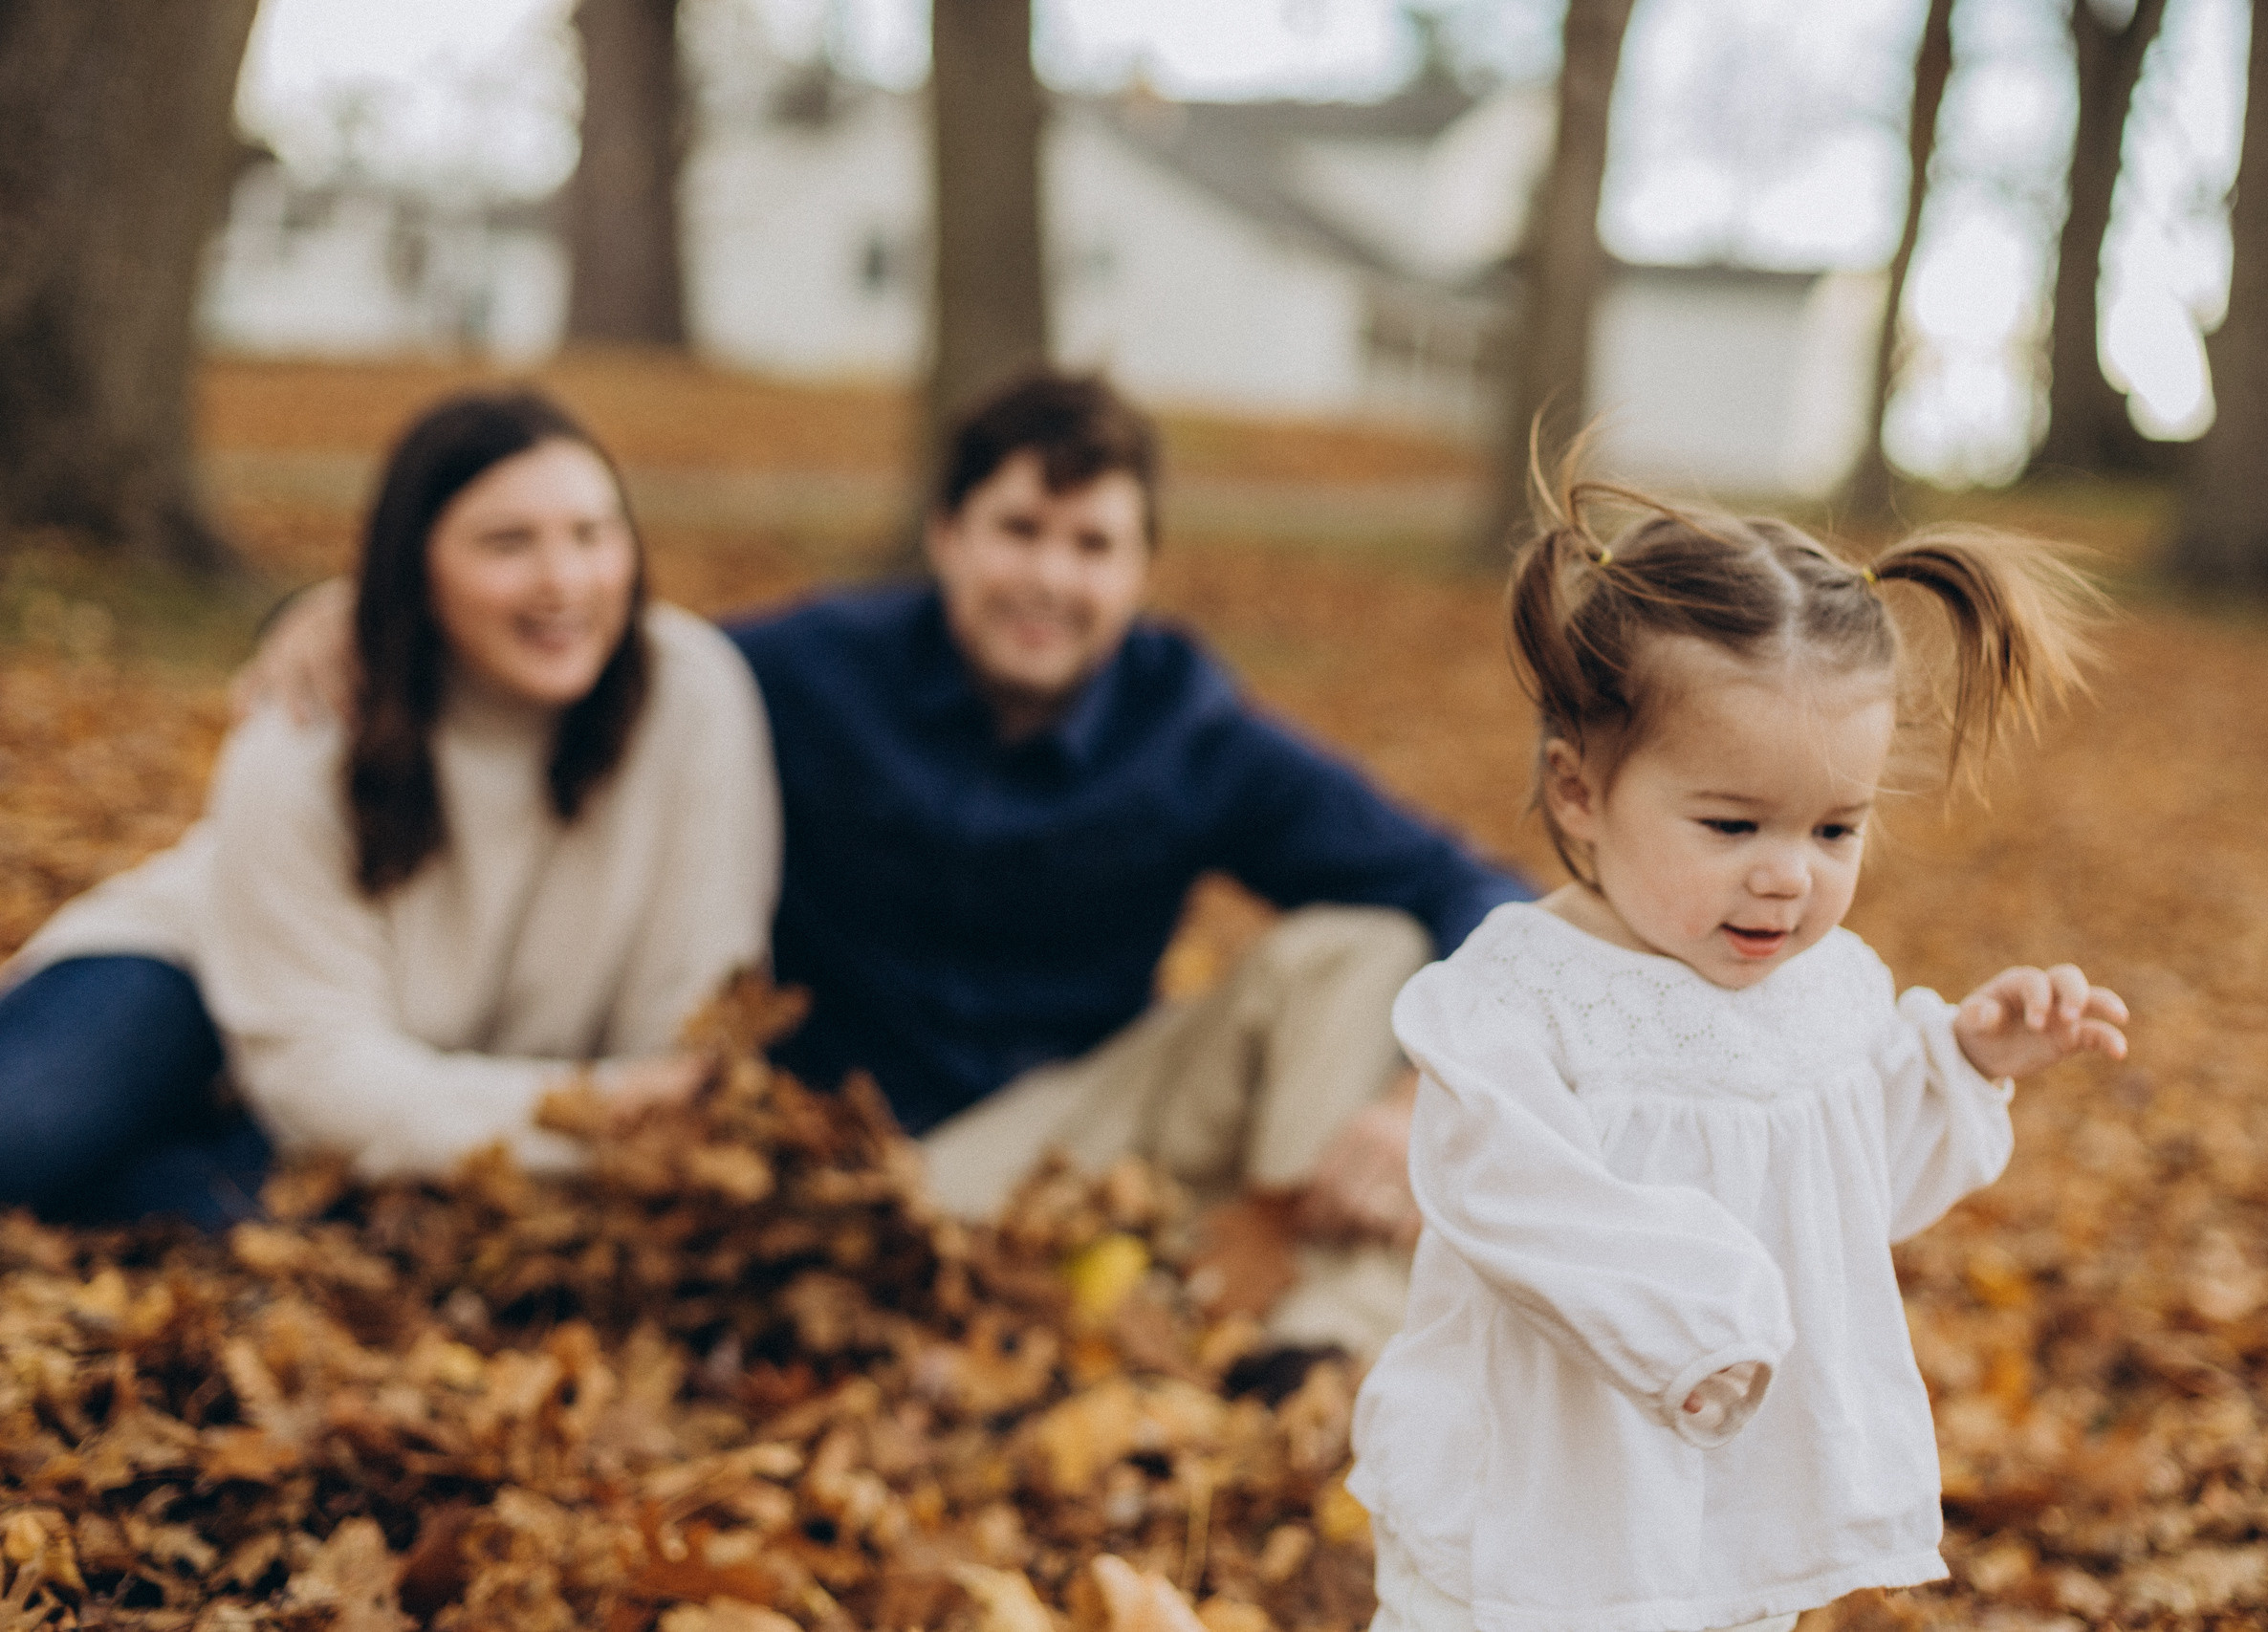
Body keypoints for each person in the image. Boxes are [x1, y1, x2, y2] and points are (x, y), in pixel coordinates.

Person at [241, 372, 1529, 1352]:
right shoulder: (801, 672)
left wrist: (1420, 1092)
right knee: (951, 1261)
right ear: (947, 532)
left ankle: (1313, 1343)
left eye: (1093, 547)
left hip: (1093, 1106)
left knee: (1360, 946)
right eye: (1019, 529)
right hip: (877, 1157)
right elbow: (590, 650)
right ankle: (1195, 1294)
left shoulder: (1190, 723)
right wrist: (356, 610)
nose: (1050, 577)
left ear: (1140, 569)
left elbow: (1476, 892)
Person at [1345, 482, 2130, 1632]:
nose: (1788, 875)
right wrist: (1690, 1320)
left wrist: (1963, 1058)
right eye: (1731, 826)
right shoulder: (1517, 997)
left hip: (1737, 1482)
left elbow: (1847, 1194)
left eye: (1833, 829)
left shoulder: (1824, 990)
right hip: (1542, 1483)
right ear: (1580, 790)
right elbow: (1511, 1198)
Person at [0, 389, 780, 1228]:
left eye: (594, 534)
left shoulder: (694, 694)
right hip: (204, 976)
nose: (566, 581)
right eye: (507, 543)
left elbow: (693, 1016)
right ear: (414, 563)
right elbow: (318, 1073)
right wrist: (593, 1114)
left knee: (316, 1217)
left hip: (406, 1085)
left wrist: (628, 1109)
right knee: (27, 1136)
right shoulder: (312, 722)